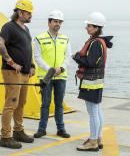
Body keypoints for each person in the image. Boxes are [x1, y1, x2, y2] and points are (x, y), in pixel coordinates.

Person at [0, 0, 35, 149]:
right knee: (11, 104)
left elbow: (27, 48)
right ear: (19, 12)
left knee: (21, 103)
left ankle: (18, 131)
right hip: (12, 72)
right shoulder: (9, 27)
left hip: (25, 73)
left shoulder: (25, 29)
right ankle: (5, 136)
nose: (30, 15)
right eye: (28, 13)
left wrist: (31, 65)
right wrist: (11, 62)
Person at [72, 12, 113, 151]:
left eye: (89, 26)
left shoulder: (95, 43)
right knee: (97, 110)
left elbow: (89, 62)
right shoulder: (100, 42)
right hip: (96, 82)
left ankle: (93, 141)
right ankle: (98, 137)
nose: (86, 28)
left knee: (93, 112)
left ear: (96, 28)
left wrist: (76, 57)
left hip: (91, 82)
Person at [33, 10, 71, 139]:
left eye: (60, 22)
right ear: (49, 22)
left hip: (61, 76)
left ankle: (61, 129)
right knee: (45, 104)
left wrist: (61, 68)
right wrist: (50, 70)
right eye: (55, 21)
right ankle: (41, 129)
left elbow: (68, 56)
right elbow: (37, 57)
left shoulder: (65, 38)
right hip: (45, 77)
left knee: (59, 104)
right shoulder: (39, 38)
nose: (58, 24)